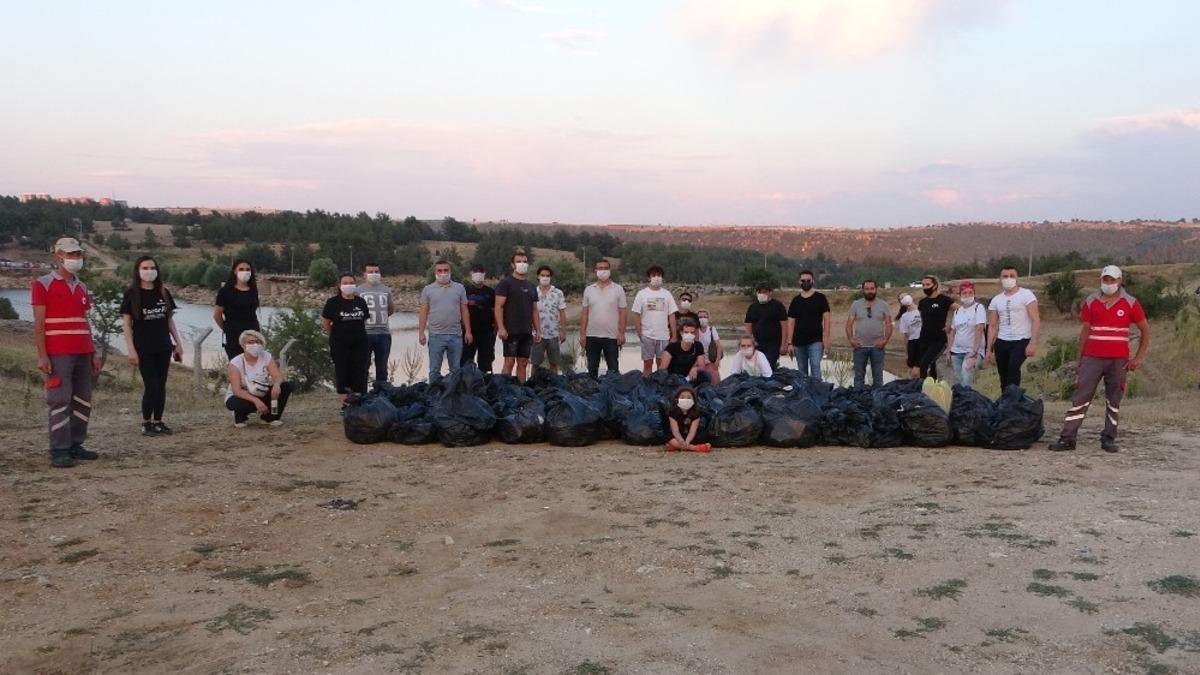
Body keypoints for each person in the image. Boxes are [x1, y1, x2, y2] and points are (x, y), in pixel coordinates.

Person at [1049, 266, 1150, 453]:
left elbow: (1145, 329)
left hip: (1118, 360)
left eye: (1112, 280)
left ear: (1120, 281)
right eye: (1106, 280)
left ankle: (1109, 438)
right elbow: (1085, 330)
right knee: (1081, 396)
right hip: (1092, 357)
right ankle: (1067, 438)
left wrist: (1138, 357)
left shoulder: (1130, 303)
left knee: (1114, 398)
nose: (1109, 284)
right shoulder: (1091, 301)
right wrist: (1079, 359)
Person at [33, 237, 101, 468]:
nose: (75, 259)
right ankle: (59, 449)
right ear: (58, 256)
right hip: (58, 353)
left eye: (78, 254)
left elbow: (85, 321)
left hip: (83, 351)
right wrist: (42, 355)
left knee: (83, 400)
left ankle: (76, 444)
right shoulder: (42, 284)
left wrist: (94, 352)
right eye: (70, 254)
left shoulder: (82, 287)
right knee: (60, 400)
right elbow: (39, 324)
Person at [120, 255, 184, 436]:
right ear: (138, 271)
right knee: (152, 385)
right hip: (143, 348)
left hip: (163, 346)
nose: (149, 271)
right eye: (145, 268)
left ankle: (159, 421)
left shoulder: (163, 292)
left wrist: (177, 344)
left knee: (161, 385)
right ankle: (146, 422)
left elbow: (169, 321)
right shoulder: (131, 294)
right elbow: (126, 324)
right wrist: (130, 349)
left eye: (152, 267)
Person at [224, 330, 293, 427]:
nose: (255, 344)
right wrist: (256, 401)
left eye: (257, 341)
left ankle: (269, 418)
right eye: (250, 342)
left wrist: (277, 385)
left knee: (285, 387)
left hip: (260, 391)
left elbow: (277, 376)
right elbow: (237, 390)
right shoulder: (235, 363)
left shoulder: (266, 356)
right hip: (241, 395)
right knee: (244, 403)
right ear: (243, 345)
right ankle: (239, 416)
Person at [987, 266, 1041, 389]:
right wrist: (988, 349)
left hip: (1021, 340)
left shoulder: (1027, 295)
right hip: (1002, 341)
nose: (1008, 279)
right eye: (1005, 276)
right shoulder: (996, 300)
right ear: (1000, 279)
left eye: (1012, 276)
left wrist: (1032, 343)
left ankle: (1014, 400)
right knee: (1003, 374)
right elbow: (992, 326)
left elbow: (1036, 319)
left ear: (1017, 278)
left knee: (1013, 368)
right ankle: (1006, 401)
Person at [419, 260, 472, 383]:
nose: (443, 273)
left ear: (450, 271)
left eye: (446, 270)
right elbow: (423, 312)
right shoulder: (428, 290)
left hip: (456, 336)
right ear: (435, 273)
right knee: (434, 371)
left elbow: (464, 310)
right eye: (440, 270)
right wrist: (421, 332)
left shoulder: (460, 288)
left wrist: (468, 331)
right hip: (436, 336)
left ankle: (454, 396)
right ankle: (433, 397)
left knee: (455, 370)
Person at [322, 273, 370, 405]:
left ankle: (358, 402)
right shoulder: (332, 303)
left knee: (359, 371)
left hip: (360, 343)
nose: (348, 285)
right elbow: (326, 322)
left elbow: (363, 320)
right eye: (345, 283)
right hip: (340, 343)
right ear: (339, 285)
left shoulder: (360, 302)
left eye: (351, 283)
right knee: (342, 371)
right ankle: (345, 404)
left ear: (355, 284)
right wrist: (334, 336)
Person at [494, 252, 541, 383]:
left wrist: (538, 330)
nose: (522, 264)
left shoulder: (531, 286)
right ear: (513, 265)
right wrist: (501, 328)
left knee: (523, 362)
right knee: (509, 361)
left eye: (525, 261)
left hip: (526, 331)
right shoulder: (505, 284)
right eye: (519, 261)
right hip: (510, 330)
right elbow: (498, 307)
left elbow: (534, 310)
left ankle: (521, 391)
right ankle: (504, 390)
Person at [580, 258, 627, 379]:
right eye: (600, 268)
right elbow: (585, 314)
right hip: (592, 335)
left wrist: (621, 333)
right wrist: (582, 335)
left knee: (613, 369)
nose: (603, 271)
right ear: (595, 270)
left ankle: (614, 395)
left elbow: (623, 313)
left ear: (610, 270)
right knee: (592, 369)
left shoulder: (618, 289)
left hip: (611, 336)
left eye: (606, 268)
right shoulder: (589, 290)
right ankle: (592, 395)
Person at [784, 270, 831, 380]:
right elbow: (791, 322)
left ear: (813, 281)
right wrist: (789, 342)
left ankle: (818, 393)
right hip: (798, 342)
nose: (806, 282)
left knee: (815, 367)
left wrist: (827, 338)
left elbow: (827, 319)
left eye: (808, 280)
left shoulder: (820, 298)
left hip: (816, 340)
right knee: (802, 370)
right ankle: (804, 395)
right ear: (799, 282)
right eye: (803, 280)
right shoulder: (795, 301)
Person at [631, 265, 678, 375]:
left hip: (663, 336)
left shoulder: (667, 294)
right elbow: (636, 314)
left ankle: (659, 388)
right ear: (649, 278)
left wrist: (674, 335)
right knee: (647, 365)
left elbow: (671, 315)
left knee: (662, 366)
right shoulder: (642, 294)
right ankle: (647, 387)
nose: (656, 277)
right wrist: (640, 333)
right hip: (647, 335)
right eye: (654, 275)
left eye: (659, 275)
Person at [846, 279, 893, 387]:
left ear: (876, 289)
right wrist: (851, 339)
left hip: (877, 347)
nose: (869, 291)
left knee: (878, 377)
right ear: (863, 290)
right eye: (867, 289)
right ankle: (858, 399)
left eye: (872, 288)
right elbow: (849, 324)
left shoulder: (884, 305)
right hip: (860, 347)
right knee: (858, 377)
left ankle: (878, 401)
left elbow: (889, 324)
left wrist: (885, 340)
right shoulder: (856, 305)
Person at [213, 259, 260, 360]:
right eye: (241, 269)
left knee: (253, 365)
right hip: (234, 336)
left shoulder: (253, 290)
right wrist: (227, 329)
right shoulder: (225, 291)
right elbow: (217, 315)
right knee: (237, 366)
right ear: (235, 271)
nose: (245, 272)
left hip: (253, 334)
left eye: (248, 269)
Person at [945, 281, 987, 388]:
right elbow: (953, 333)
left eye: (970, 292)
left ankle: (969, 403)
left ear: (974, 294)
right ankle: (960, 403)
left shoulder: (979, 308)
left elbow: (979, 328)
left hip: (971, 352)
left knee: (966, 379)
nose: (967, 295)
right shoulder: (957, 311)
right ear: (960, 295)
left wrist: (974, 352)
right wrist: (949, 352)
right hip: (956, 351)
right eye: (964, 293)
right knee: (958, 382)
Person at [359, 262, 395, 384]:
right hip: (364, 334)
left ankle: (381, 395)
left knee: (382, 368)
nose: (374, 274)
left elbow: (391, 309)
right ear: (364, 274)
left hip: (383, 334)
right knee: (363, 367)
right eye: (370, 272)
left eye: (376, 272)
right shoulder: (358, 291)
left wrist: (381, 318)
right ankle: (362, 395)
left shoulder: (386, 290)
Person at [916, 275, 954, 380]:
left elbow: (960, 310)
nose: (925, 287)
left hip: (938, 339)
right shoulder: (922, 302)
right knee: (929, 366)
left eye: (928, 284)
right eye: (923, 285)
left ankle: (926, 390)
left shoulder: (944, 300)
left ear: (935, 285)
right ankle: (930, 390)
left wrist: (950, 324)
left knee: (925, 365)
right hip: (924, 338)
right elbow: (923, 319)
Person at [461, 264, 497, 373]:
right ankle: (466, 387)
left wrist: (495, 330)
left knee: (485, 364)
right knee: (465, 364)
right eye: (475, 271)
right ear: (471, 274)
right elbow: (461, 311)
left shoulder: (490, 292)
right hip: (468, 333)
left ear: (484, 274)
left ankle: (484, 385)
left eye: (480, 272)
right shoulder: (464, 291)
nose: (478, 274)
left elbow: (495, 311)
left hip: (487, 333)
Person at [531, 265, 567, 373]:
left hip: (553, 334)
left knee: (554, 363)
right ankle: (533, 384)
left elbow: (562, 313)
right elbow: (530, 312)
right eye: (543, 275)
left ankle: (554, 385)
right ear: (538, 276)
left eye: (547, 275)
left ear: (551, 277)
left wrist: (563, 331)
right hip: (537, 334)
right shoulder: (533, 292)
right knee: (535, 363)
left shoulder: (558, 293)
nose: (545, 277)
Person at [744, 283, 788, 369]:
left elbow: (784, 326)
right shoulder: (752, 307)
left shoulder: (778, 306)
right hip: (757, 344)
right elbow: (748, 326)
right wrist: (749, 343)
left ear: (770, 292)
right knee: (756, 367)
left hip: (773, 344)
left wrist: (784, 344)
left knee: (768, 365)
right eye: (760, 292)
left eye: (765, 292)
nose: (762, 294)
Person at [666, 386, 711, 453]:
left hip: (690, 437)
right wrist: (681, 440)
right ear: (677, 399)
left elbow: (692, 431)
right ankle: (695, 448)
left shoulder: (696, 413)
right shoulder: (672, 412)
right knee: (668, 437)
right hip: (678, 436)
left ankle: (676, 446)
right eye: (682, 397)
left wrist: (687, 441)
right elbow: (675, 431)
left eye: (689, 397)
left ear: (693, 400)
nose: (685, 399)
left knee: (703, 436)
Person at [896, 294, 922, 379]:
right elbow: (906, 335)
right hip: (913, 342)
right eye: (901, 298)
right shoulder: (904, 316)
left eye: (905, 295)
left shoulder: (922, 309)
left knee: (919, 369)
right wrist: (906, 352)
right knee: (913, 370)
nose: (904, 298)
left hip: (924, 341)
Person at [696, 309, 722, 383]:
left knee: (715, 380)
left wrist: (717, 361)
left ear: (708, 318)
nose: (702, 319)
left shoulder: (712, 329)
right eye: (700, 317)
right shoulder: (694, 330)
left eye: (704, 317)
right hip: (698, 361)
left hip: (710, 360)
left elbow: (719, 347)